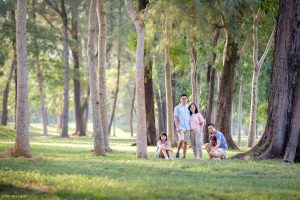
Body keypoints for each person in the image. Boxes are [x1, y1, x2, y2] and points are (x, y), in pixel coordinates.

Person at [174, 94, 191, 159]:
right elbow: (175, 118)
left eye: (185, 98)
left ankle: (184, 155)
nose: (184, 99)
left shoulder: (188, 107)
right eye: (183, 98)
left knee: (186, 142)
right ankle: (178, 152)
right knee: (181, 140)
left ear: (187, 99)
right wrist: (177, 127)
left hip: (187, 127)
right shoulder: (177, 107)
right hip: (180, 127)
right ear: (181, 99)